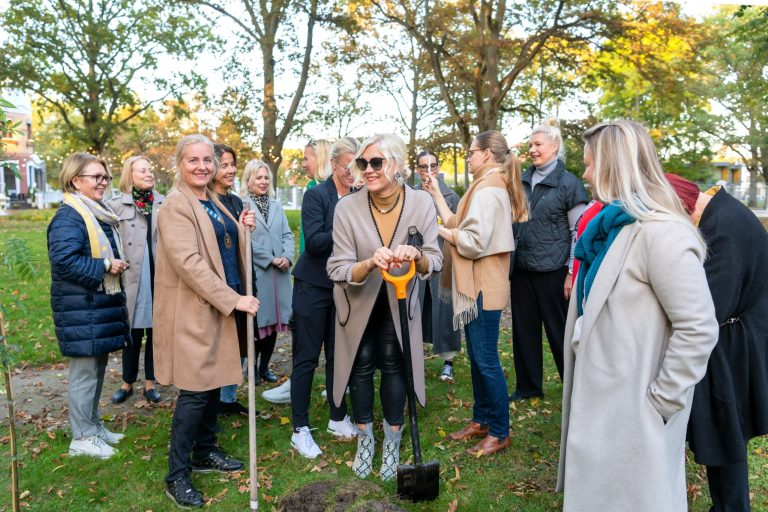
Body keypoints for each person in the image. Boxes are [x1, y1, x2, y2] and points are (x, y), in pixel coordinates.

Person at [557, 120, 719, 511]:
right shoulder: (612, 227)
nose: (585, 173)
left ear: (614, 166)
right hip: (601, 403)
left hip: (634, 412)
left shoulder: (663, 233)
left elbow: (698, 328)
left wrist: (660, 401)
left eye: (591, 163)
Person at [328, 133, 442, 479]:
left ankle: (392, 440)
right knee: (360, 365)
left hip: (399, 300)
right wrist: (368, 263)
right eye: (363, 163)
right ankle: (366, 440)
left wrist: (417, 255)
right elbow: (337, 268)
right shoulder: (346, 207)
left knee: (393, 362)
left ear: (397, 165)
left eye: (376, 162)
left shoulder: (421, 203)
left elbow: (435, 261)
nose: (368, 170)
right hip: (357, 301)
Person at [153, 134, 259, 509]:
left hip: (220, 305)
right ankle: (176, 474)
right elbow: (190, 264)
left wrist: (242, 227)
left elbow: (226, 244)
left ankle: (205, 451)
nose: (202, 166)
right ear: (179, 164)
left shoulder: (212, 199)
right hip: (196, 308)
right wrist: (234, 299)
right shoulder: (175, 206)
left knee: (214, 383)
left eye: (207, 160)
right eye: (193, 160)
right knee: (196, 391)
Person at [666, 173, 768, 512]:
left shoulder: (724, 227)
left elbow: (711, 306)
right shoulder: (719, 212)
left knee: (726, 438)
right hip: (731, 341)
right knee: (726, 438)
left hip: (734, 349)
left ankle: (731, 507)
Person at [427, 131, 528, 456]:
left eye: (472, 152)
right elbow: (462, 221)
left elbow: (471, 241)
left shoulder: (488, 189)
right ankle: (482, 420)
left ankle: (499, 431)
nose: (468, 157)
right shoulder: (484, 186)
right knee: (476, 357)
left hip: (483, 286)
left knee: (486, 360)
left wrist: (436, 230)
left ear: (486, 154)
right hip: (479, 284)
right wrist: (436, 198)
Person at [47, 153, 131, 459]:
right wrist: (107, 264)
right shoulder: (69, 217)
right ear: (74, 181)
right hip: (80, 308)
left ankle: (93, 427)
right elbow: (64, 261)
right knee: (84, 374)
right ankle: (81, 437)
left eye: (105, 177)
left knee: (95, 371)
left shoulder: (96, 212)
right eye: (96, 177)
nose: (103, 183)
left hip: (96, 306)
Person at [288, 136, 359, 458]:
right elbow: (315, 242)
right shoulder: (317, 195)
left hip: (345, 288)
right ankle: (299, 428)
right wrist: (347, 225)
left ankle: (337, 416)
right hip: (313, 285)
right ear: (333, 164)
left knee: (338, 355)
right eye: (348, 166)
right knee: (306, 357)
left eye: (357, 165)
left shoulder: (361, 195)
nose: (354, 172)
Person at [509, 118, 588, 402]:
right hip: (522, 269)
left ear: (554, 147)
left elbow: (578, 233)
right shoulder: (521, 181)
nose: (532, 149)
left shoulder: (570, 184)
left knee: (560, 334)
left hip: (554, 272)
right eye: (530, 144)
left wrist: (571, 273)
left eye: (538, 144)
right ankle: (528, 387)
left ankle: (574, 388)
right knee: (523, 331)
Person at [262, 138, 332, 405]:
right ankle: (298, 381)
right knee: (304, 332)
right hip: (309, 269)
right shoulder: (312, 188)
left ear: (321, 158)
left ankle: (329, 382)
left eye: (307, 158)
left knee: (319, 335)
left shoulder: (325, 191)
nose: (303, 163)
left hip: (324, 272)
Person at [109, 155, 164, 405]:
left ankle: (150, 383)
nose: (148, 174)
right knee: (132, 332)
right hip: (132, 276)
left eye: (150, 170)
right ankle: (127, 382)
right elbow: (108, 239)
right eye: (142, 170)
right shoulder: (116, 206)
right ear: (129, 176)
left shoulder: (164, 203)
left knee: (156, 332)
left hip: (159, 275)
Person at [242, 159, 294, 383]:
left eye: (266, 178)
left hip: (279, 275)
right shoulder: (242, 205)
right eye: (258, 177)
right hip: (259, 273)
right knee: (257, 325)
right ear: (249, 179)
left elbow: (287, 235)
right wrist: (271, 259)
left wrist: (287, 257)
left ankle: (264, 368)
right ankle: (251, 370)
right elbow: (245, 241)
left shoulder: (276, 205)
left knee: (274, 325)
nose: (263, 182)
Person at [416, 150, 462, 382]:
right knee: (415, 310)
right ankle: (412, 359)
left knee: (445, 312)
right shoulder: (411, 195)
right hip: (415, 261)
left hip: (443, 262)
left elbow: (457, 231)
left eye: (432, 166)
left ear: (438, 167)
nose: (428, 171)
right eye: (423, 167)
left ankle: (448, 362)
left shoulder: (451, 196)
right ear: (417, 170)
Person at [211, 143, 249, 416]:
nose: (231, 170)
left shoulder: (236, 201)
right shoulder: (206, 201)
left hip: (239, 280)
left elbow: (239, 244)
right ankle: (211, 400)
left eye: (232, 164)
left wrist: (248, 229)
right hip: (217, 282)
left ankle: (228, 398)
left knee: (240, 341)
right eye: (224, 165)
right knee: (218, 344)